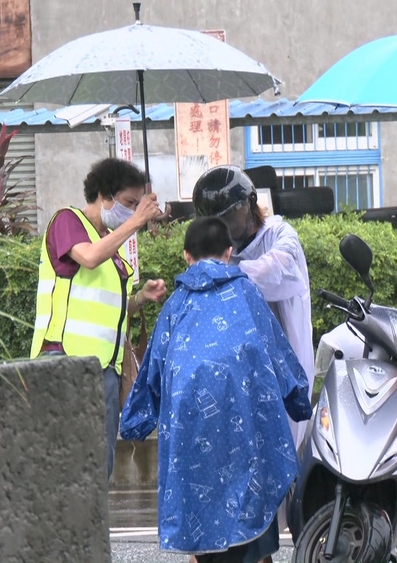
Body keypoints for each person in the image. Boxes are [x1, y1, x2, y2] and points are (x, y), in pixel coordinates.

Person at [120, 216, 311, 563]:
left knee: (202, 537)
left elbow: (152, 371)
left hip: (190, 436)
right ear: (228, 253)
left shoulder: (175, 305)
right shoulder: (247, 294)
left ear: (186, 256)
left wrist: (134, 423)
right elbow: (277, 352)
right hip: (248, 432)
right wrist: (298, 399)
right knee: (253, 530)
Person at [30, 157, 167, 484]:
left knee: (97, 468)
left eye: (137, 205)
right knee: (65, 465)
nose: (132, 211)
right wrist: (136, 221)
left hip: (104, 368)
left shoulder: (112, 246)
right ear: (104, 195)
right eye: (128, 203)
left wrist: (139, 298)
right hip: (65, 360)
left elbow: (108, 308)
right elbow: (89, 257)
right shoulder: (67, 221)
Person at [191, 166, 315, 448]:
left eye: (226, 218)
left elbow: (276, 272)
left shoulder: (279, 234)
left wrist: (225, 273)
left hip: (283, 366)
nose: (220, 229)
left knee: (282, 446)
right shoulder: (220, 251)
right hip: (238, 372)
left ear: (250, 203)